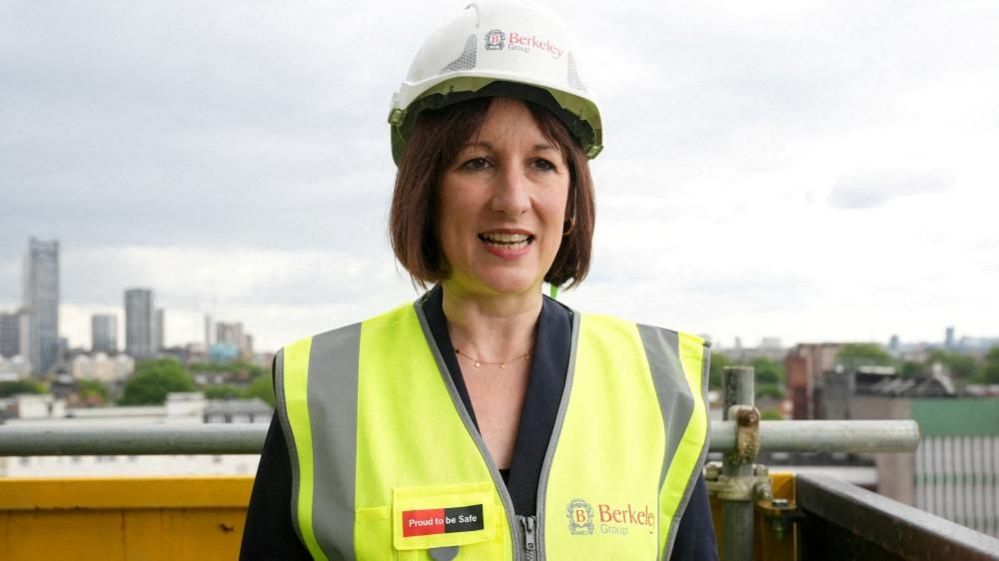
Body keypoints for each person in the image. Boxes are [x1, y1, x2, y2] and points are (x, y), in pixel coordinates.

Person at [240, 2, 719, 560]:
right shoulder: (322, 388)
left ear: (571, 201)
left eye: (542, 164)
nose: (512, 200)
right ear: (427, 190)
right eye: (477, 162)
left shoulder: (659, 386)